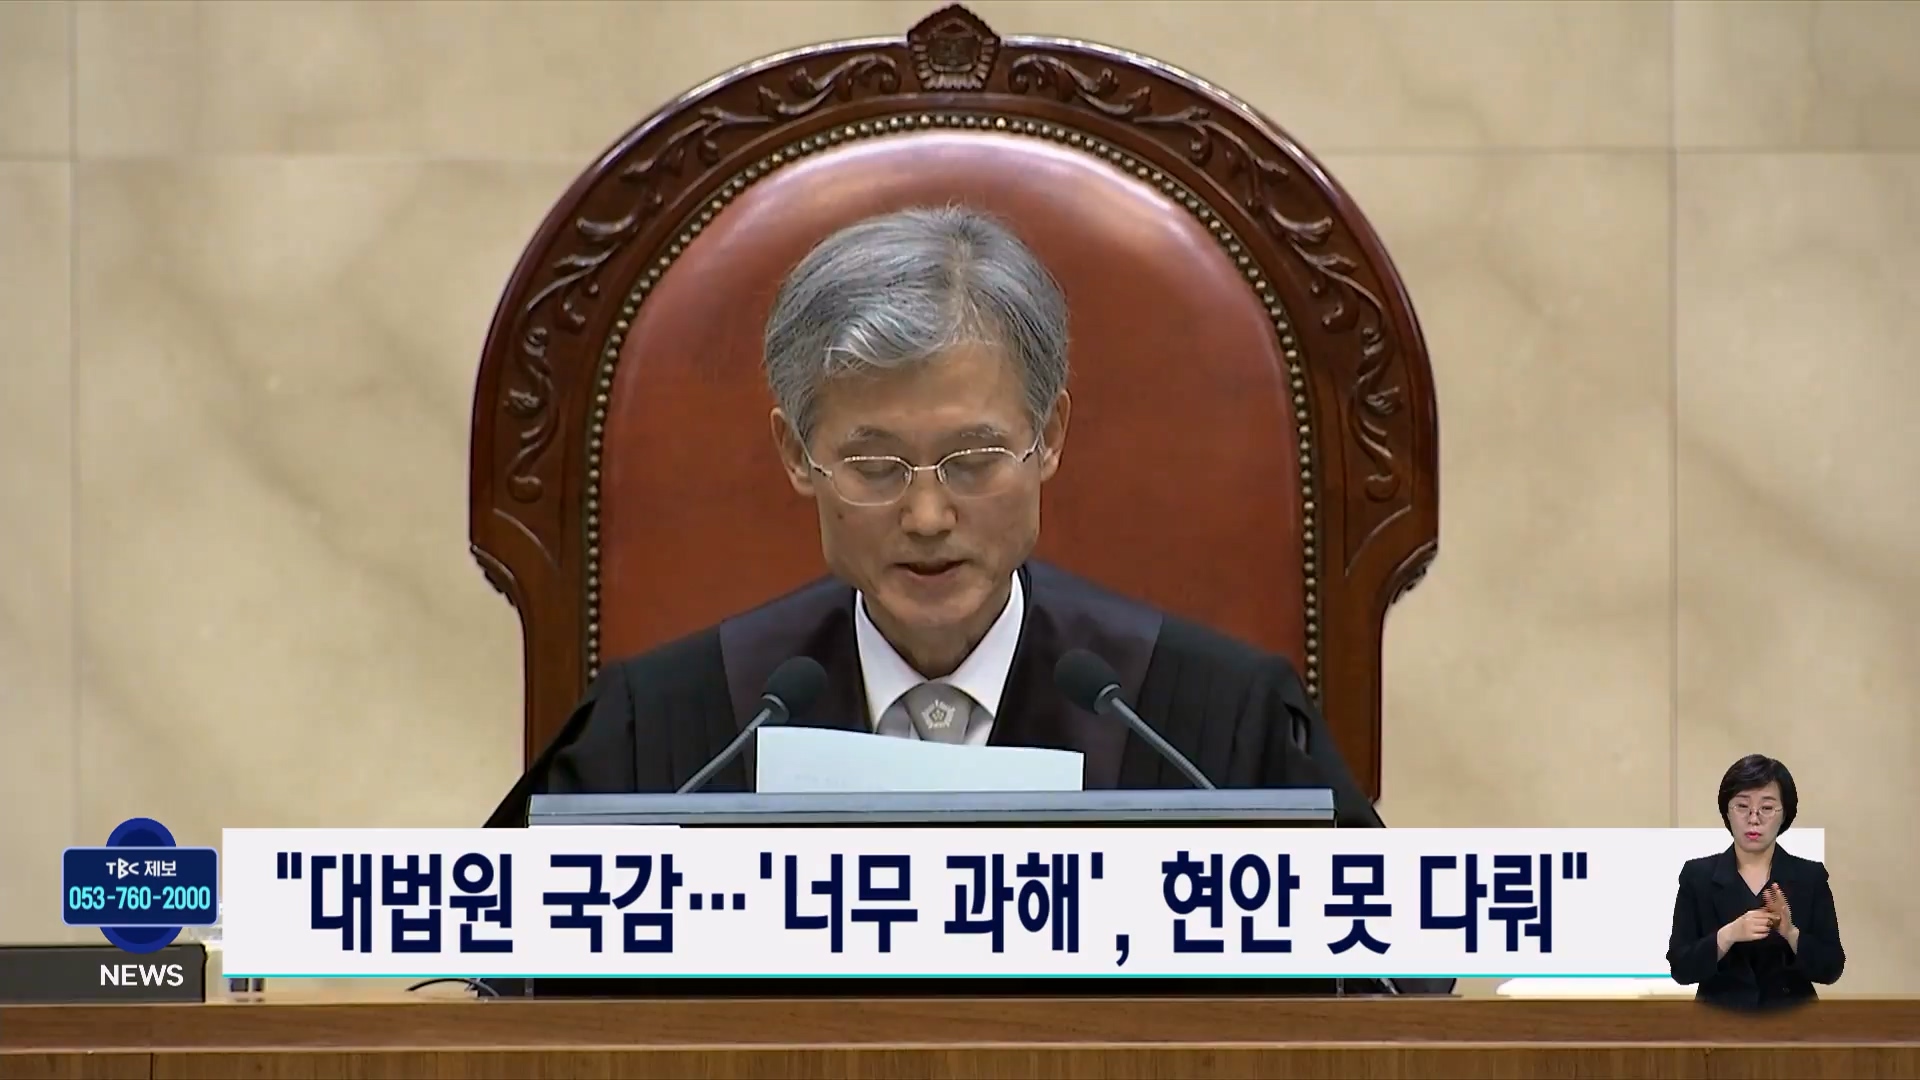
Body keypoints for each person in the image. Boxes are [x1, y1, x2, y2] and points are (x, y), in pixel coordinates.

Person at [485, 206, 1451, 996]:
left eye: (976, 458)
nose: (928, 515)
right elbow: (487, 979)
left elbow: (1391, 987)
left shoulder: (1206, 727)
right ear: (796, 455)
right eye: (874, 465)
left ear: (1050, 437)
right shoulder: (675, 731)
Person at [1667, 754, 1844, 1009]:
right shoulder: (1697, 876)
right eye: (1742, 806)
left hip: (1792, 1021)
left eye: (1767, 808)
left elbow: (1831, 968)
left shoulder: (1810, 876)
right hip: (1719, 1021)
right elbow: (1681, 968)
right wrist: (1727, 935)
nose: (1754, 819)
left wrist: (1791, 934)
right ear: (1727, 812)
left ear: (1784, 814)